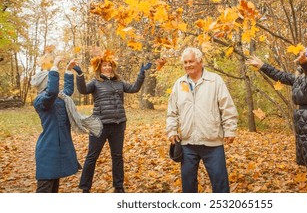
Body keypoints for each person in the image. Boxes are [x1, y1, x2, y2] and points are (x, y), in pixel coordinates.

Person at [246, 47, 307, 193]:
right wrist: (263, 66)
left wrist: (306, 63)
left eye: (305, 61)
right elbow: (281, 76)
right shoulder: (301, 78)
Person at [74, 51, 151, 193]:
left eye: (110, 65)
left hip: (118, 124)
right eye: (105, 65)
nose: (108, 68)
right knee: (92, 156)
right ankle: (85, 188)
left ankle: (119, 187)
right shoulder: (95, 83)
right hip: (99, 125)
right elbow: (83, 90)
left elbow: (134, 89)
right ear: (99, 67)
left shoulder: (119, 82)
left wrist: (141, 74)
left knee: (117, 156)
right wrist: (79, 75)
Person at [166, 47, 238, 193]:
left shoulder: (215, 81)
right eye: (185, 62)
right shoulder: (179, 84)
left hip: (212, 141)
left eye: (191, 61)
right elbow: (172, 112)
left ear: (200, 61)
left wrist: (230, 129)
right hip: (187, 143)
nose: (187, 65)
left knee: (220, 183)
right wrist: (172, 130)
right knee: (188, 184)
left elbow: (227, 106)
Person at [31, 56, 80, 193]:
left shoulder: (59, 98)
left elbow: (68, 91)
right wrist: (54, 66)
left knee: (54, 190)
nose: (57, 83)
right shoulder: (41, 100)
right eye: (52, 80)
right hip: (47, 150)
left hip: (58, 147)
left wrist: (69, 70)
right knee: (45, 189)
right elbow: (52, 92)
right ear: (46, 84)